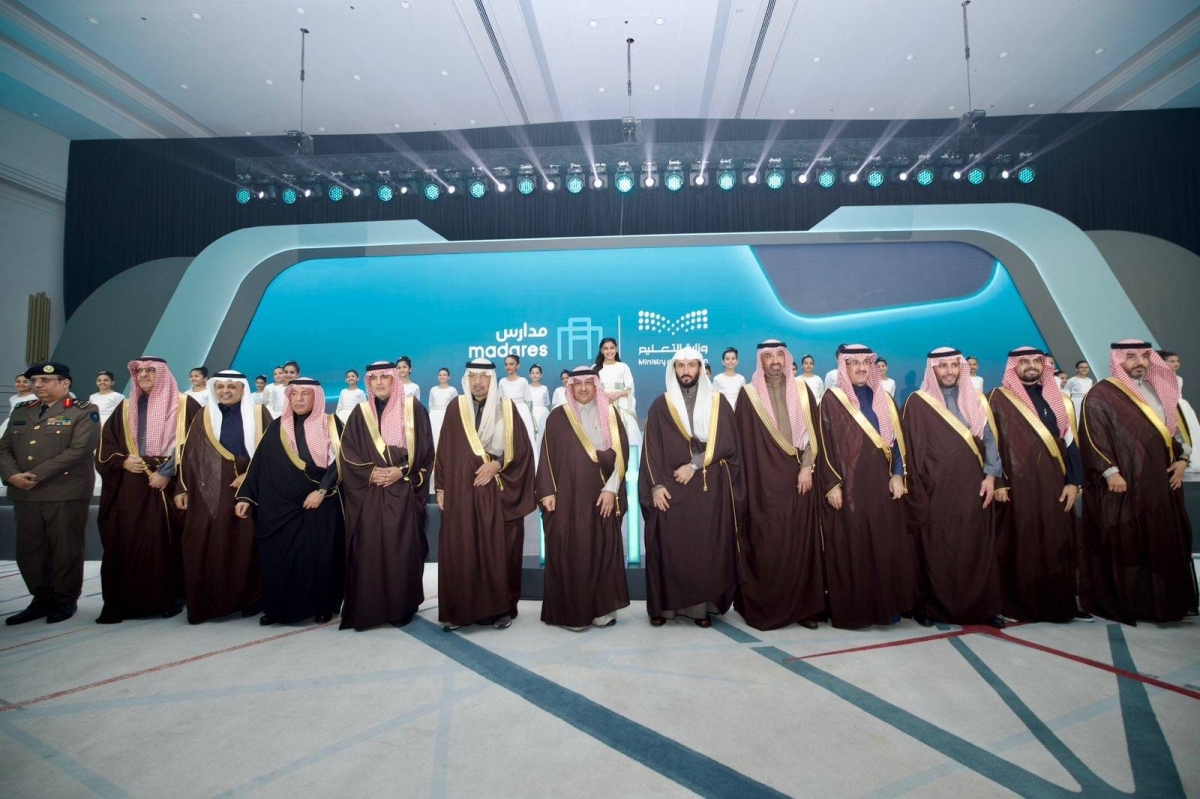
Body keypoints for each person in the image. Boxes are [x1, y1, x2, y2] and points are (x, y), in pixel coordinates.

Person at [1079, 341, 1195, 623]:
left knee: (1163, 540)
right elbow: (1092, 436)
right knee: (1130, 543)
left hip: (1163, 482)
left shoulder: (1161, 389)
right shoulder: (1102, 393)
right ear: (1118, 360)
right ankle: (1134, 604)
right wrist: (1110, 472)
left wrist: (1183, 460)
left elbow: (1177, 432)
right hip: (1124, 485)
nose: (1139, 362)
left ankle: (1165, 604)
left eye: (1144, 356)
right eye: (1130, 357)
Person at [903, 348, 1007, 628]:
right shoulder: (918, 403)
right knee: (936, 548)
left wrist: (991, 476)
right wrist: (921, 489)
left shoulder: (975, 398)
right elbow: (912, 449)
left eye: (953, 365)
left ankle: (984, 608)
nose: (949, 371)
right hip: (935, 490)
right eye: (943, 366)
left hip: (974, 485)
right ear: (932, 369)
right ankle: (930, 607)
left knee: (976, 547)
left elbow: (989, 439)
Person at [640, 348, 743, 627]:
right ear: (673, 370)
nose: (686, 371)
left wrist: (694, 465)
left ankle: (700, 610)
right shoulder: (660, 405)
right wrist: (655, 486)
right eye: (681, 366)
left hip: (707, 488)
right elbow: (650, 450)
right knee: (670, 548)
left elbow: (727, 442)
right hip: (670, 489)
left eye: (691, 365)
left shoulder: (718, 403)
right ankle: (666, 609)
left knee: (703, 549)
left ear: (700, 368)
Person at [818, 345, 915, 629]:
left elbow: (897, 441)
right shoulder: (832, 399)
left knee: (884, 544)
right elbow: (825, 444)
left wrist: (897, 474)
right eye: (854, 363)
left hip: (882, 485)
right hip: (849, 487)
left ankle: (885, 608)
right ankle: (855, 611)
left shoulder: (884, 398)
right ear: (844, 367)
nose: (861, 367)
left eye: (865, 362)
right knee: (854, 546)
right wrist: (832, 484)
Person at [435, 360, 535, 630]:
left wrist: (497, 465)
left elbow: (522, 451)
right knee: (462, 548)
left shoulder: (507, 408)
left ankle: (499, 610)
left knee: (497, 551)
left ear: (493, 379)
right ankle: (459, 611)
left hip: (496, 493)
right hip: (461, 492)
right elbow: (444, 449)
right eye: (473, 377)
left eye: (484, 377)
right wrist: (441, 487)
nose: (478, 382)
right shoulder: (456, 407)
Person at [235, 378, 344, 626]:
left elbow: (341, 461)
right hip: (281, 506)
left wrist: (322, 491)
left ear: (316, 397)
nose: (299, 399)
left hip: (319, 502)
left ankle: (322, 606)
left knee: (318, 556)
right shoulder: (277, 427)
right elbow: (259, 464)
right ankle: (277, 608)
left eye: (305, 394)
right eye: (294, 394)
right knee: (279, 556)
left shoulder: (331, 423)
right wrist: (246, 496)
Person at [990, 347, 1086, 623]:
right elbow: (991, 444)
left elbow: (1071, 444)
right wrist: (999, 481)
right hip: (1017, 487)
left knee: (1057, 540)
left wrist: (1074, 482)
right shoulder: (998, 399)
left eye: (1036, 361)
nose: (1031, 366)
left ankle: (1060, 603)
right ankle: (1018, 605)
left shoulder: (1059, 399)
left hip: (1055, 484)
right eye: (1024, 362)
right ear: (1013, 366)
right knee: (1021, 541)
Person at [734, 341, 825, 630]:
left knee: (800, 541)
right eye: (769, 356)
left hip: (799, 478)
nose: (775, 360)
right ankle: (767, 606)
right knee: (768, 543)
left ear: (786, 358)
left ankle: (804, 608)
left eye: (779, 355)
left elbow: (813, 434)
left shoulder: (802, 390)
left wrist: (807, 467)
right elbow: (742, 445)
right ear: (761, 361)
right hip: (762, 484)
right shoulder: (749, 395)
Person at [337, 361, 434, 630]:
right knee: (368, 551)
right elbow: (347, 452)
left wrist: (400, 471)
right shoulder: (360, 413)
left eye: (385, 377)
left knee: (400, 550)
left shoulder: (413, 409)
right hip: (369, 493)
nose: (379, 382)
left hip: (402, 491)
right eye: (374, 378)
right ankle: (371, 608)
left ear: (394, 379)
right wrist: (371, 473)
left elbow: (426, 452)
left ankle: (400, 607)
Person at [0, 363, 100, 625]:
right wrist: (12, 475)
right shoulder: (23, 410)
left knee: (65, 548)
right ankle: (40, 598)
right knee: (30, 550)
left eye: (46, 380)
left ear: (65, 383)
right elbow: (4, 448)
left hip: (64, 491)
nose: (38, 385)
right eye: (35, 381)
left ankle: (65, 599)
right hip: (24, 493)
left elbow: (80, 449)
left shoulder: (83, 410)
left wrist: (34, 475)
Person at [94, 357, 189, 623]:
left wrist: (166, 472)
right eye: (139, 371)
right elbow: (107, 444)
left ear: (163, 374)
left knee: (163, 541)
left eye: (150, 370)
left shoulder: (184, 404)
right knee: (125, 538)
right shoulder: (125, 407)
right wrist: (122, 461)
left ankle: (166, 599)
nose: (144, 375)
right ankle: (125, 601)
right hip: (131, 484)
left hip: (167, 483)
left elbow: (192, 444)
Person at [536, 366, 631, 629]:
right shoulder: (557, 417)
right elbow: (546, 456)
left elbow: (621, 454)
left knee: (602, 550)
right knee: (571, 553)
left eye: (589, 383)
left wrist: (611, 489)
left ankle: (602, 611)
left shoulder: (610, 413)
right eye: (578, 384)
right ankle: (572, 614)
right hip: (567, 499)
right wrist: (547, 492)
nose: (583, 388)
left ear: (596, 386)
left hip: (602, 497)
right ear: (571, 387)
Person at [174, 370, 269, 624]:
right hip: (208, 491)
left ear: (242, 389)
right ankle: (212, 602)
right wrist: (182, 488)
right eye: (220, 387)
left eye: (231, 387)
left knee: (245, 546)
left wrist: (249, 476)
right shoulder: (203, 416)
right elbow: (189, 455)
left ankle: (249, 599)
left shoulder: (259, 414)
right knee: (208, 544)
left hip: (249, 491)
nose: (225, 391)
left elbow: (270, 452)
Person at [595, 338, 642, 448]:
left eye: (612, 348)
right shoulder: (595, 368)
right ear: (601, 351)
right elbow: (593, 389)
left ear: (616, 349)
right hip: (603, 407)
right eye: (606, 348)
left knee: (628, 435)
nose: (609, 351)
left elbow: (630, 388)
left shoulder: (623, 367)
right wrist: (605, 398)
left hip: (622, 407)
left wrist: (617, 394)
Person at [498, 354, 536, 446]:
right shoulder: (502, 381)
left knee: (523, 438)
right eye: (506, 364)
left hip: (522, 413)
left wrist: (531, 419)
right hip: (506, 412)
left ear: (518, 366)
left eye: (511, 364)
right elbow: (499, 400)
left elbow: (528, 401)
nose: (508, 366)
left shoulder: (523, 381)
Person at [427, 367, 458, 450]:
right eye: (440, 375)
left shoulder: (452, 390)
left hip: (447, 416)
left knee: (445, 436)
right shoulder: (433, 389)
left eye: (444, 375)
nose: (442, 376)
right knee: (433, 436)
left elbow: (455, 406)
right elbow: (430, 405)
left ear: (448, 377)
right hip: (433, 416)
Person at [529, 364, 551, 453]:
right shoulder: (526, 387)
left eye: (537, 373)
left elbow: (547, 403)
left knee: (542, 437)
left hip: (543, 415)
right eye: (533, 373)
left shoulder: (544, 388)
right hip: (530, 414)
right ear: (529, 375)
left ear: (541, 375)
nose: (535, 375)